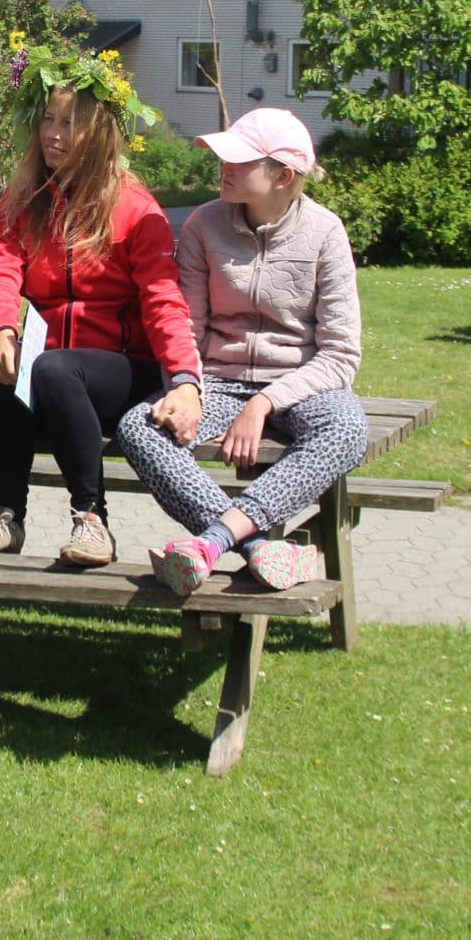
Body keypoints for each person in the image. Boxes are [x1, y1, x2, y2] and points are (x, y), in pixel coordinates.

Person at [0, 44, 198, 567]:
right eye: (48, 119)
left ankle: (91, 519)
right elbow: (1, 270)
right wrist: (2, 332)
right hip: (52, 367)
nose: (53, 134)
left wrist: (184, 379)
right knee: (9, 366)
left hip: (121, 367)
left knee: (54, 368)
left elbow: (163, 300)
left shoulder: (137, 209)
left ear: (100, 133)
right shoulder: (22, 198)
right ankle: (6, 515)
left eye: (69, 123)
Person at [115, 108, 369, 595]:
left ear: (283, 176)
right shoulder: (203, 225)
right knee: (139, 428)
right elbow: (185, 326)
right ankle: (255, 547)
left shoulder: (326, 233)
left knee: (347, 429)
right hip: (218, 380)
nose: (224, 167)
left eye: (240, 160)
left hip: (299, 384)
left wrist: (264, 403)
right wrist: (187, 387)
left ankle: (212, 542)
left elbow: (340, 355)